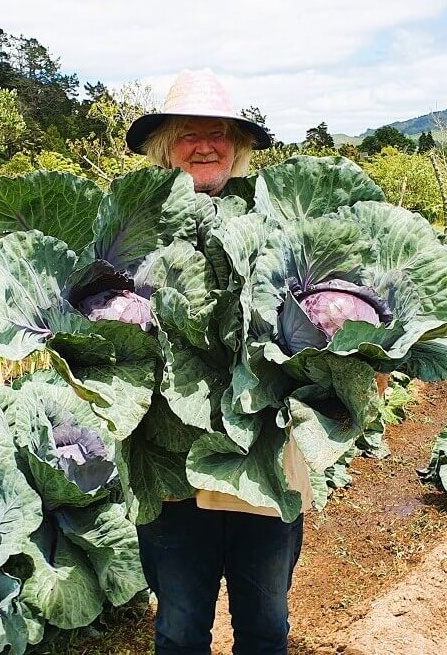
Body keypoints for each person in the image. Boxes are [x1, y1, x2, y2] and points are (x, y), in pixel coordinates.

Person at [124, 68, 309, 655]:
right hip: (169, 461)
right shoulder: (134, 219)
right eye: (188, 135)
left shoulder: (279, 215)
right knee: (179, 630)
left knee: (266, 625)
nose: (206, 145)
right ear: (164, 148)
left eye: (219, 133)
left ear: (239, 145)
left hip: (263, 461)